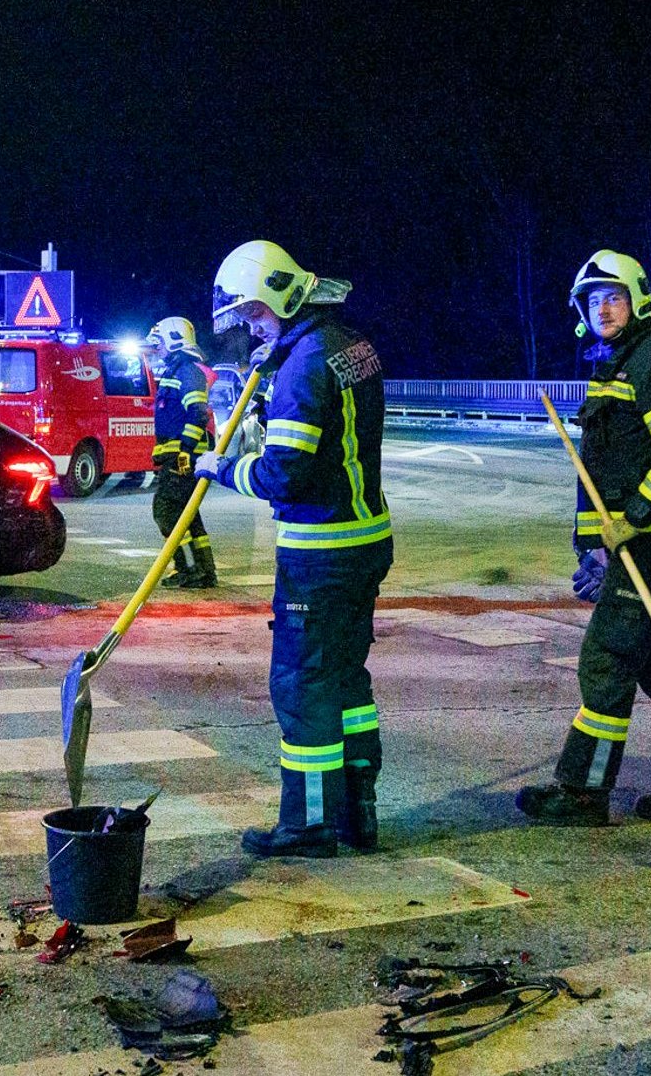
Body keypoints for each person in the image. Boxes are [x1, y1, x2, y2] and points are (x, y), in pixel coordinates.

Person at [197, 240, 390, 857]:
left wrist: (224, 468)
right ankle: (359, 813)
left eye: (255, 315)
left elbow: (283, 476)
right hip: (365, 543)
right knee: (346, 680)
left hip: (319, 553)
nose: (252, 327)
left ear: (281, 296)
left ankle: (308, 825)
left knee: (302, 686)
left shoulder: (304, 366)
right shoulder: (350, 347)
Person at [519, 250, 651, 826]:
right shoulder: (612, 365)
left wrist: (631, 522)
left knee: (607, 657)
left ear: (637, 301)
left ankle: (584, 794)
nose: (603, 309)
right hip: (633, 543)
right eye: (593, 300)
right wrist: (591, 549)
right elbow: (601, 470)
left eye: (613, 297)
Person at [145, 316, 219, 589]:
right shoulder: (178, 371)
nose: (158, 349)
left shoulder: (187, 371)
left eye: (160, 343)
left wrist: (184, 451)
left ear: (175, 340)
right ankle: (203, 570)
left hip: (183, 457)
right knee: (188, 515)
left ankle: (188, 569)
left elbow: (197, 414)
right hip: (177, 455)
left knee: (165, 512)